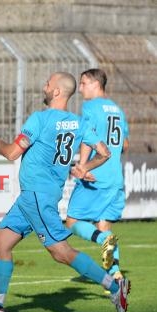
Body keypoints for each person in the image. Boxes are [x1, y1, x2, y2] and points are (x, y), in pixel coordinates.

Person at [0, 72, 130, 312]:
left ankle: (116, 287)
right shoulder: (78, 123)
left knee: (61, 252)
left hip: (37, 196)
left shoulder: (40, 119)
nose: (44, 86)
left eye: (47, 83)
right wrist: (85, 168)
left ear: (56, 92)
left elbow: (11, 153)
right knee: (2, 243)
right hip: (36, 196)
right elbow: (105, 152)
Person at [66, 68, 130, 279]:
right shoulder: (117, 110)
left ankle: (103, 241)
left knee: (72, 222)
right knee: (104, 225)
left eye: (83, 83)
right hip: (115, 178)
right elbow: (126, 145)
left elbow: (87, 137)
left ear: (95, 84)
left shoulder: (91, 107)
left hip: (96, 175)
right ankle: (116, 275)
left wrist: (83, 166)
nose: (80, 88)